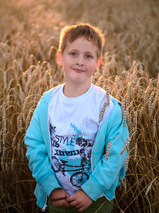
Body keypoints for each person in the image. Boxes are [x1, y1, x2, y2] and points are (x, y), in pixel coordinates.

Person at [24, 23, 129, 213]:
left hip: (97, 200)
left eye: (88, 56)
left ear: (98, 63)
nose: (80, 61)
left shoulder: (108, 107)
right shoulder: (48, 103)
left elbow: (117, 154)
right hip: (57, 198)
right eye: (73, 53)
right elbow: (34, 144)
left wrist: (91, 191)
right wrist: (51, 187)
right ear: (60, 57)